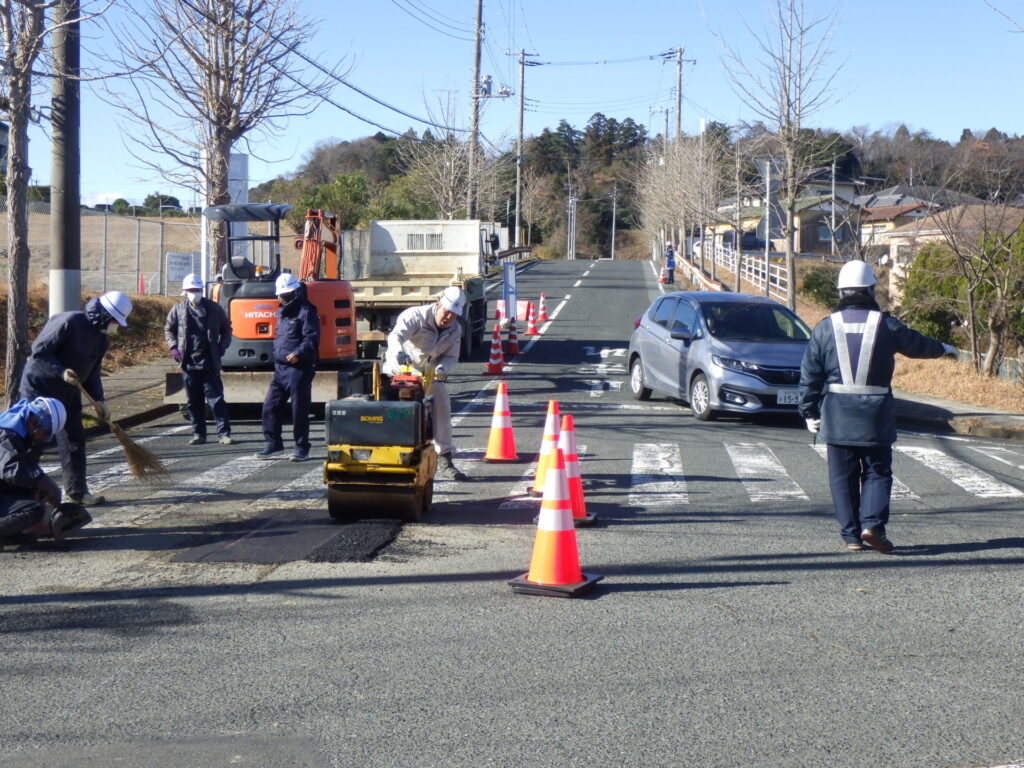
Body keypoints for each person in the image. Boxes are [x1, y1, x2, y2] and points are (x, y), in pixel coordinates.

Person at [799, 260, 956, 554]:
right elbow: (916, 344)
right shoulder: (885, 324)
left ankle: (850, 537)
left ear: (841, 292)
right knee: (877, 471)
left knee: (841, 476)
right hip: (875, 415)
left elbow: (810, 374)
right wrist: (944, 349)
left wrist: (809, 411)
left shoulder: (824, 327)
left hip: (837, 414)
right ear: (870, 289)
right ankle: (873, 526)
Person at [20, 290, 133, 507]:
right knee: (33, 441)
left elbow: (92, 372)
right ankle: (18, 492)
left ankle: (77, 492)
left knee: (74, 440)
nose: (113, 326)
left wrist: (99, 400)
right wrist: (60, 371)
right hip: (40, 388)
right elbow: (39, 352)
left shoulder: (101, 340)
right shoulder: (70, 321)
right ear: (102, 313)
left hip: (69, 391)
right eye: (112, 320)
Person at [383, 286, 467, 481]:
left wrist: (442, 370)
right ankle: (389, 455)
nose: (448, 318)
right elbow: (395, 336)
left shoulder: (455, 330)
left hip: (428, 375)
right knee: (392, 412)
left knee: (443, 407)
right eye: (446, 312)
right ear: (438, 305)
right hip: (400, 371)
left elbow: (451, 356)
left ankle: (445, 458)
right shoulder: (415, 316)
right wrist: (399, 353)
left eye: (454, 315)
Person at [0, 396, 91, 542]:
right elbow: (13, 472)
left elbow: (26, 466)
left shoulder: (21, 431)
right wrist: (41, 481)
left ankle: (8, 533)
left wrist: (40, 486)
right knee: (33, 509)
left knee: (31, 496)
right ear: (33, 422)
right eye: (44, 432)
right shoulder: (6, 435)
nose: (42, 438)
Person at [256, 272, 319, 462]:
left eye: (285, 295)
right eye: (280, 295)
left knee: (299, 410)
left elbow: (312, 338)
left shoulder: (306, 311)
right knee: (270, 406)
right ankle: (273, 443)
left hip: (299, 369)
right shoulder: (280, 312)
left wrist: (298, 354)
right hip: (280, 368)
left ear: (294, 292)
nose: (281, 298)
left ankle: (301, 448)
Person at [164, 273, 233, 446]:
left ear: (202, 290)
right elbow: (169, 330)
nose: (194, 293)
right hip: (188, 363)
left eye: (197, 290)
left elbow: (227, 329)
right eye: (191, 290)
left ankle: (223, 434)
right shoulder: (178, 310)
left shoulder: (214, 309)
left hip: (209, 362)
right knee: (193, 402)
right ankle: (198, 434)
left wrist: (222, 345)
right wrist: (173, 347)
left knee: (216, 400)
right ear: (185, 292)